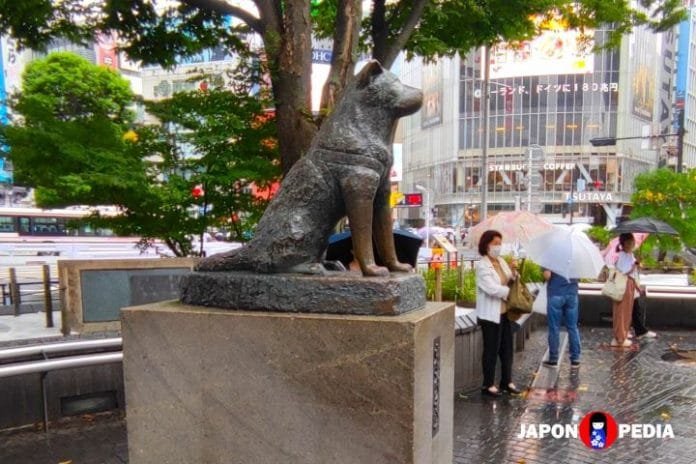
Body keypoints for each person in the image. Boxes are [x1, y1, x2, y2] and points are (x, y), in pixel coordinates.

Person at [475, 230, 521, 397]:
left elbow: (509, 279)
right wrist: (507, 291)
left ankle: (506, 381)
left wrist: (514, 272)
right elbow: (490, 288)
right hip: (490, 315)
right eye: (495, 243)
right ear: (486, 245)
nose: (498, 247)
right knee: (491, 350)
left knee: (507, 348)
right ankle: (488, 384)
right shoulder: (482, 265)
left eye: (499, 243)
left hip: (505, 313)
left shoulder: (501, 261)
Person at [541, 269, 581, 368]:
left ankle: (553, 359)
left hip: (556, 293)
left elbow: (547, 275)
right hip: (572, 294)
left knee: (554, 328)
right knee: (572, 327)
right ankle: (575, 359)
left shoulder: (551, 255)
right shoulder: (575, 255)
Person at [612, 233, 640, 347]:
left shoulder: (629, 255)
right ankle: (620, 338)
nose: (632, 244)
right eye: (629, 243)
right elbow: (624, 271)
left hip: (629, 284)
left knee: (626, 311)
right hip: (624, 284)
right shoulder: (623, 255)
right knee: (622, 311)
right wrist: (634, 265)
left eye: (632, 242)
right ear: (623, 244)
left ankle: (622, 335)